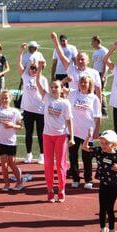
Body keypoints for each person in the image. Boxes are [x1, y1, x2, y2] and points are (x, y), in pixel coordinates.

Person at [35, 62, 74, 203]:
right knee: (48, 164)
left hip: (61, 136)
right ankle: (50, 190)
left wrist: (72, 137)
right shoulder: (46, 98)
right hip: (47, 136)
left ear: (61, 89)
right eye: (51, 87)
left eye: (56, 87)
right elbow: (38, 83)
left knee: (61, 164)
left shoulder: (65, 103)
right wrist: (39, 70)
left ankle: (61, 189)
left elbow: (69, 120)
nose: (53, 89)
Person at [82, 130, 117, 232]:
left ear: (113, 144)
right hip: (103, 184)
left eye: (106, 143)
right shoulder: (99, 151)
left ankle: (112, 230)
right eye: (102, 143)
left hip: (113, 186)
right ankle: (103, 230)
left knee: (110, 209)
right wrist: (88, 137)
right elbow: (85, 147)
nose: (103, 145)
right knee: (102, 209)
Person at [0, 86, 25, 191]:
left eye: (6, 98)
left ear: (10, 99)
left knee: (12, 163)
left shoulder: (15, 111)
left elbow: (21, 126)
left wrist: (12, 125)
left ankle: (20, 182)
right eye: (3, 98)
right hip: (0, 140)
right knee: (4, 164)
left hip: (11, 141)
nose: (5, 100)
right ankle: (7, 184)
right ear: (0, 99)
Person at [66, 76, 101, 189]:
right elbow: (59, 88)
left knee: (87, 157)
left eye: (85, 82)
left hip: (87, 133)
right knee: (73, 156)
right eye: (81, 82)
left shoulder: (94, 98)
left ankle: (88, 180)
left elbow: (97, 116)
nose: (83, 84)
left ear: (89, 84)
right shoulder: (73, 94)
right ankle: (75, 179)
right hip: (73, 131)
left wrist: (96, 131)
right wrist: (64, 81)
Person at [50, 32, 102, 104]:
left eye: (82, 59)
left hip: (88, 106)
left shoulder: (94, 73)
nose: (80, 61)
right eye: (78, 59)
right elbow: (61, 56)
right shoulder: (71, 69)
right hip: (73, 107)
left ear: (88, 61)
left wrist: (99, 107)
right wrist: (55, 40)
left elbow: (98, 91)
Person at [17, 43, 47, 164]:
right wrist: (21, 51)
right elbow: (19, 64)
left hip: (40, 110)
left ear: (39, 69)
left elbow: (46, 94)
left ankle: (42, 155)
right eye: (32, 68)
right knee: (28, 133)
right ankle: (29, 154)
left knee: (41, 134)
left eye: (35, 68)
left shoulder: (43, 79)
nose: (33, 70)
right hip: (28, 110)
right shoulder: (25, 76)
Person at [91, 35, 109, 116]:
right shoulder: (95, 51)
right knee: (94, 91)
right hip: (94, 73)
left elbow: (105, 63)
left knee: (101, 92)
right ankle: (96, 109)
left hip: (101, 73)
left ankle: (104, 112)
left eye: (92, 42)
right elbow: (94, 63)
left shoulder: (104, 51)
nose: (91, 44)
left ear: (96, 42)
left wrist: (104, 75)